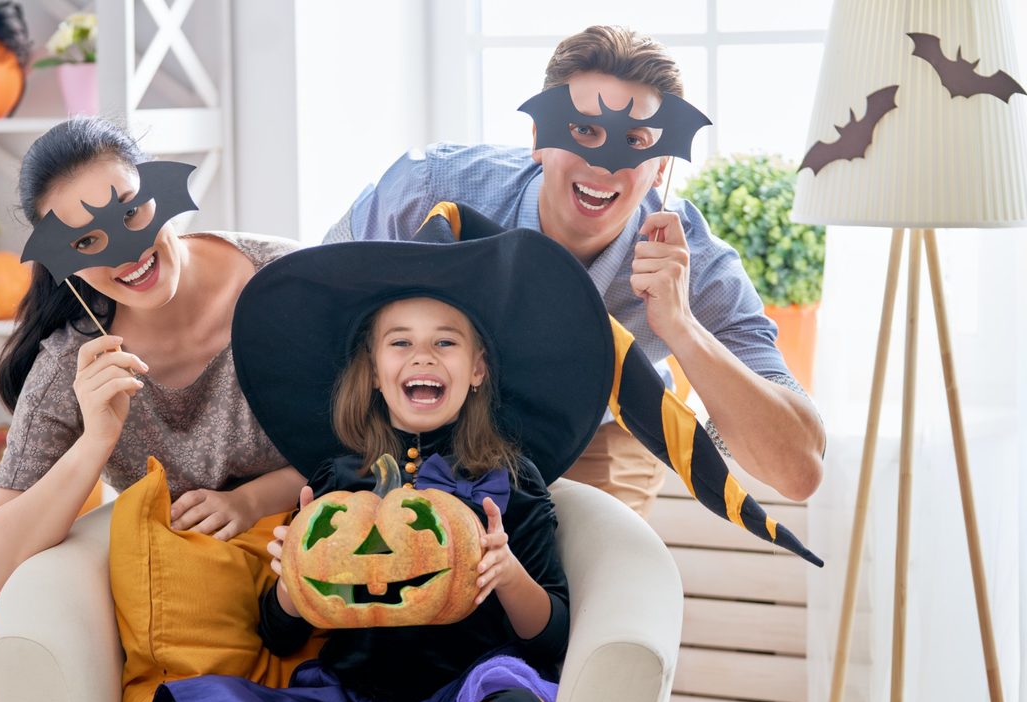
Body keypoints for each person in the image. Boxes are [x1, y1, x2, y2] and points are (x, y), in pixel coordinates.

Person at [324, 25, 825, 517]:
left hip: (592, 438)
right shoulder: (429, 187)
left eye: (634, 140)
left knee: (581, 575)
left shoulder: (697, 267)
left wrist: (682, 327)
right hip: (414, 417)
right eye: (584, 130)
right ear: (539, 137)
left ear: (661, 167)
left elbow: (797, 471)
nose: (603, 165)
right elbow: (314, 302)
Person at [152, 218, 621, 702]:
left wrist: (507, 575)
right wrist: (292, 582)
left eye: (445, 342)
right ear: (374, 371)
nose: (422, 355)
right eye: (400, 343)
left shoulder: (510, 480)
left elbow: (552, 638)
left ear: (478, 368)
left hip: (464, 692)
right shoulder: (336, 481)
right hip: (350, 701)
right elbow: (279, 638)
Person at [0, 117, 305, 595]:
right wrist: (96, 439)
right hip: (199, 594)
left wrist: (252, 500)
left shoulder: (286, 282)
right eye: (86, 241)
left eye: (130, 212)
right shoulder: (75, 362)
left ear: (158, 190)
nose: (125, 254)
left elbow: (375, 442)